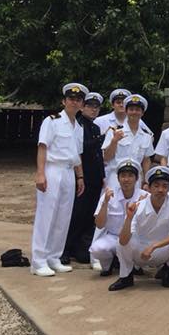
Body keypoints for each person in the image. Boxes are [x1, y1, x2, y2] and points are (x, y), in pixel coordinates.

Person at [31, 83, 86, 277]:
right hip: (52, 169)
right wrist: (40, 173)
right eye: (71, 98)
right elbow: (42, 147)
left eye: (78, 100)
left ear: (81, 104)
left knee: (63, 217)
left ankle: (54, 257)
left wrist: (80, 177)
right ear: (64, 101)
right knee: (46, 215)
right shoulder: (52, 121)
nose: (74, 102)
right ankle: (38, 260)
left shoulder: (78, 127)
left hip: (69, 172)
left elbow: (77, 155)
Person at [108, 165, 169, 291]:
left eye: (164, 186)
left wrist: (154, 246)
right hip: (140, 251)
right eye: (156, 185)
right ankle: (126, 276)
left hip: (161, 249)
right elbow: (123, 241)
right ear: (149, 188)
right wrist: (129, 218)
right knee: (121, 245)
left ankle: (167, 273)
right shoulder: (139, 205)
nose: (160, 190)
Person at [64, 91, 106, 264]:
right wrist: (100, 140)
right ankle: (65, 248)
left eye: (96, 107)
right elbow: (80, 149)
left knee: (89, 215)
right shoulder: (78, 125)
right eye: (90, 106)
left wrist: (102, 176)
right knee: (77, 214)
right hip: (83, 176)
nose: (93, 110)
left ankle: (80, 247)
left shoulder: (95, 127)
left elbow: (99, 155)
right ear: (83, 107)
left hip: (95, 177)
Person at [90, 158, 143, 276]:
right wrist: (105, 203)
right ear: (118, 178)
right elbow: (99, 224)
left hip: (135, 238)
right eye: (123, 176)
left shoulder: (144, 196)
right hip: (113, 237)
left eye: (130, 175)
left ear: (137, 178)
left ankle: (136, 265)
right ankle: (107, 265)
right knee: (97, 249)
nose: (126, 179)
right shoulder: (108, 195)